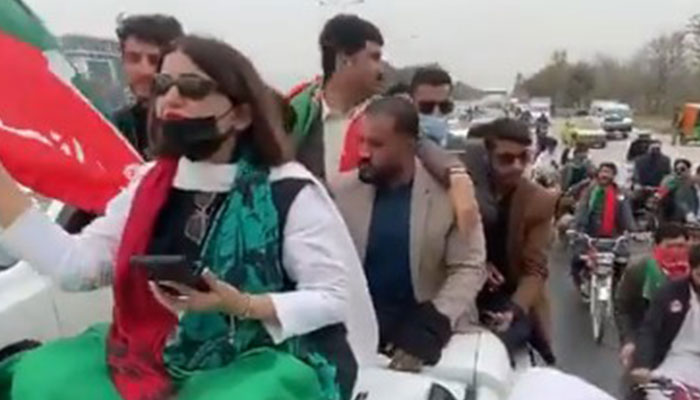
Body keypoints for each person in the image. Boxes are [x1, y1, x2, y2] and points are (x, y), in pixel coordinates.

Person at [0, 35, 377, 400]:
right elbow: (77, 267)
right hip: (162, 353)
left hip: (264, 356)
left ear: (241, 114)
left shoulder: (288, 190)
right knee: (44, 379)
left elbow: (332, 298)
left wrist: (240, 304)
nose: (172, 98)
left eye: (193, 87)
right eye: (164, 85)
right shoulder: (149, 186)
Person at [331, 97, 486, 372]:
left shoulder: (451, 196)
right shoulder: (342, 192)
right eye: (361, 142)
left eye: (376, 144)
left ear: (409, 145)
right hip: (360, 333)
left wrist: (434, 323)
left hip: (433, 334)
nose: (364, 152)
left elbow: (469, 266)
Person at [288, 14, 478, 235]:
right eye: (374, 57)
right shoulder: (295, 115)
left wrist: (456, 174)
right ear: (344, 60)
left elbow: (420, 142)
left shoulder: (384, 116)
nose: (382, 69)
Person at [461, 118, 558, 364]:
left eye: (523, 158)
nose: (516, 166)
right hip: (458, 291)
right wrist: (477, 264)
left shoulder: (539, 200)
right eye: (505, 158)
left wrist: (513, 310)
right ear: (486, 157)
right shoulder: (460, 190)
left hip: (509, 295)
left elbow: (535, 269)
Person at [615, 223, 690, 370]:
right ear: (656, 245)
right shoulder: (639, 271)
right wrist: (628, 341)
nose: (676, 251)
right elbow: (623, 308)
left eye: (681, 246)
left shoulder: (693, 271)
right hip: (648, 348)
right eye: (670, 246)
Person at [630, 244, 700, 394]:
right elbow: (649, 329)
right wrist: (642, 364)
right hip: (674, 362)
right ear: (691, 270)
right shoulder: (671, 292)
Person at [113, 14, 184, 159]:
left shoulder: (193, 124)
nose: (144, 70)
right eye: (134, 58)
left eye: (155, 60)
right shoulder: (117, 125)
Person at [571, 163, 636, 288]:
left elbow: (626, 213)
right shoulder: (589, 191)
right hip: (590, 236)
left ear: (613, 176)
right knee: (577, 261)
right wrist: (575, 229)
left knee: (622, 263)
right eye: (602, 171)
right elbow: (581, 210)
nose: (604, 175)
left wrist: (633, 231)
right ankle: (582, 286)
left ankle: (616, 288)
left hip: (613, 237)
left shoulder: (620, 193)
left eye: (608, 172)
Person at [409, 67, 454, 146]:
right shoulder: (398, 150)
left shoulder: (462, 150)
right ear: (411, 103)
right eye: (426, 107)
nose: (436, 113)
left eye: (444, 107)